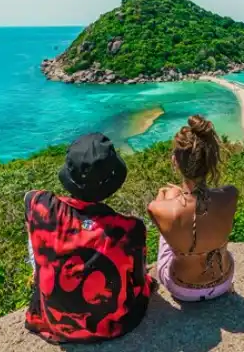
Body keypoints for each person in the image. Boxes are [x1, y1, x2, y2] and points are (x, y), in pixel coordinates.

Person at [24, 133, 153, 344]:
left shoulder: (39, 204)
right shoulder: (130, 229)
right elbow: (138, 281)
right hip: (112, 326)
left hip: (55, 324)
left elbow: (28, 198)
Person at [148, 115, 239, 302]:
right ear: (210, 161)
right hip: (223, 281)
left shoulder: (155, 208)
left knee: (169, 196)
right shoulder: (231, 194)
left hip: (181, 288)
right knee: (180, 201)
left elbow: (163, 207)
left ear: (175, 161)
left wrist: (165, 193)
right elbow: (202, 206)